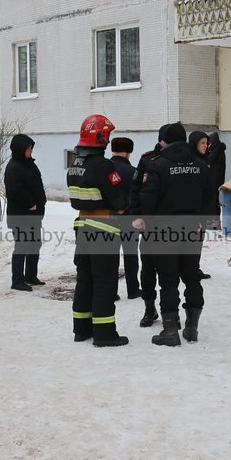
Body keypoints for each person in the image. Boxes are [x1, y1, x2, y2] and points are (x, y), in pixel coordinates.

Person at [139, 121, 213, 346]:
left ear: (164, 141)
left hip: (163, 231)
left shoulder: (157, 165)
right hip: (192, 229)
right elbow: (209, 199)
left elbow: (148, 199)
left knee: (168, 280)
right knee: (192, 277)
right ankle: (192, 328)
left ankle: (170, 330)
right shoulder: (201, 165)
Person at [68, 114, 130, 347]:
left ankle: (81, 329)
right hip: (103, 229)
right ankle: (104, 333)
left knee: (84, 279)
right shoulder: (103, 165)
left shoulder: (75, 164)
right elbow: (119, 201)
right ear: (100, 137)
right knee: (104, 281)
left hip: (82, 227)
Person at [129, 124, 174, 328]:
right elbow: (135, 190)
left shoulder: (179, 160)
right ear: (162, 141)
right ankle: (149, 308)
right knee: (148, 269)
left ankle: (170, 312)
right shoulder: (147, 159)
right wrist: (137, 216)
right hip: (149, 226)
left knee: (169, 271)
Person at [4, 133, 46, 291]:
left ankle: (30, 276)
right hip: (21, 215)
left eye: (31, 148)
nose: (31, 151)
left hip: (33, 215)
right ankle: (17, 280)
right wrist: (31, 204)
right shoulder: (13, 167)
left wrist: (41, 204)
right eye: (29, 149)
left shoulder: (29, 164)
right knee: (22, 246)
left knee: (35, 244)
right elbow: (15, 190)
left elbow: (37, 184)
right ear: (20, 149)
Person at [110, 136, 140, 299]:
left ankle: (111, 291)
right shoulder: (133, 171)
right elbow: (137, 197)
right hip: (129, 220)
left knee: (111, 256)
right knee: (131, 254)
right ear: (129, 152)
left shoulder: (104, 168)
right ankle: (133, 289)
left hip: (108, 220)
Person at [188, 130, 219, 280]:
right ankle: (190, 268)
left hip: (203, 207)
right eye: (202, 143)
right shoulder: (192, 161)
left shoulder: (205, 160)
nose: (205, 146)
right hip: (193, 208)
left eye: (207, 143)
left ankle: (195, 267)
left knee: (198, 240)